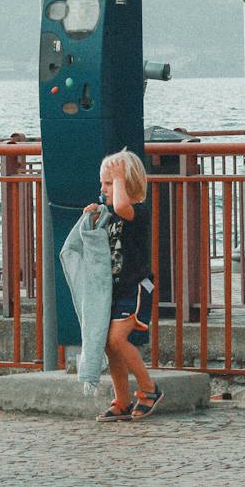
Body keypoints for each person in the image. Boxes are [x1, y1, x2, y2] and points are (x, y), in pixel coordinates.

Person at [87, 149, 160, 421]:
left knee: (118, 338)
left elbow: (121, 207)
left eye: (109, 183)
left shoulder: (136, 211)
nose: (103, 188)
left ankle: (149, 389)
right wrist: (94, 216)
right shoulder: (112, 213)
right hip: (115, 289)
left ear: (125, 184)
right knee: (109, 344)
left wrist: (119, 179)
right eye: (103, 183)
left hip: (135, 287)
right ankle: (123, 399)